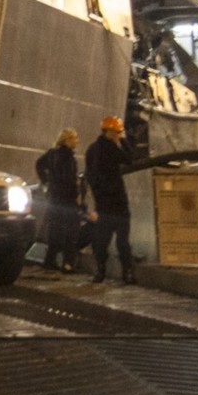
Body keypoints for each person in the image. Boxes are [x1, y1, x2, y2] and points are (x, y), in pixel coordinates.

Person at [83, 115, 136, 284]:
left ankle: (101, 272)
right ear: (107, 131)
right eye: (115, 133)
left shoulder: (93, 149)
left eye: (118, 133)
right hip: (117, 204)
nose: (116, 136)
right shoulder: (112, 150)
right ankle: (126, 273)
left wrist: (97, 192)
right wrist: (125, 141)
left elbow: (89, 175)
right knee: (122, 243)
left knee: (102, 242)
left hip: (106, 204)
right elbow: (130, 159)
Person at [33, 127, 83, 274]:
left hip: (54, 198)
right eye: (74, 138)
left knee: (55, 230)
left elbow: (39, 164)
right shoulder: (69, 158)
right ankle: (68, 264)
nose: (77, 141)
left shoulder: (52, 154)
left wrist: (46, 181)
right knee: (72, 232)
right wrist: (77, 196)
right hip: (67, 200)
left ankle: (50, 260)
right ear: (67, 140)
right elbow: (70, 181)